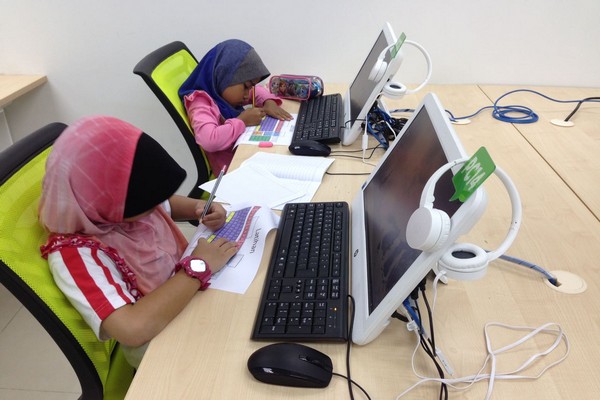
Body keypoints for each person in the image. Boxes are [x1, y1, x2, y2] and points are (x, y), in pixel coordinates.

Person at [38, 115, 239, 367]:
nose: (156, 208)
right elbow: (132, 329)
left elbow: (166, 204)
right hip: (156, 343)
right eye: (148, 206)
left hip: (186, 300)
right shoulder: (76, 254)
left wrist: (200, 207)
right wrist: (198, 266)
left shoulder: (120, 207)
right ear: (104, 202)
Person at [179, 39, 292, 173]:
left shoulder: (222, 92)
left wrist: (269, 102)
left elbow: (257, 91)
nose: (247, 94)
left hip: (246, 158)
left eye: (250, 87)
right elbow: (209, 140)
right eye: (246, 86)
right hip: (233, 171)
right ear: (224, 76)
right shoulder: (200, 103)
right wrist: (242, 121)